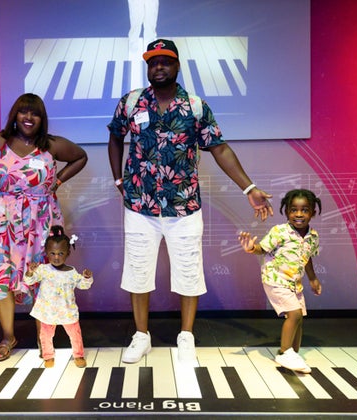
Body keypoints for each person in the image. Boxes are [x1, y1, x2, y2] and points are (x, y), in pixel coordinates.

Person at [107, 39, 274, 364]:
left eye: (165, 61)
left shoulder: (195, 107)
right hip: (139, 206)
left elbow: (219, 148)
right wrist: (118, 179)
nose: (158, 67)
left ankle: (186, 336)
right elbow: (115, 137)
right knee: (138, 272)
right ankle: (141, 336)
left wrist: (249, 187)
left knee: (188, 272)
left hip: (184, 208)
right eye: (153, 62)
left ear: (177, 65)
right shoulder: (131, 102)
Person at [0, 93, 88, 362]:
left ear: (42, 119)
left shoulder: (51, 145)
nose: (29, 117)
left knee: (43, 276)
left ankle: (44, 337)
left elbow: (80, 157)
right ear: (15, 116)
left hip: (41, 222)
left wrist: (57, 181)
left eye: (35, 113)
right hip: (4, 222)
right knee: (1, 274)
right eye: (23, 112)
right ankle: (8, 337)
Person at [238, 189, 322, 373]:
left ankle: (293, 354)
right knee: (294, 314)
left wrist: (313, 279)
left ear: (313, 213)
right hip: (275, 279)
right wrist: (251, 248)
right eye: (293, 210)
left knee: (299, 318)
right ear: (287, 212)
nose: (298, 214)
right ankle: (285, 352)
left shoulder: (313, 236)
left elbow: (307, 258)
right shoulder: (280, 231)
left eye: (304, 210)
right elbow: (262, 248)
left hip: (294, 283)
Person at [24, 225, 93, 368]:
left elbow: (83, 285)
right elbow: (30, 281)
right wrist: (30, 272)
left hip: (67, 311)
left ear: (67, 253)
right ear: (47, 253)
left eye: (60, 253)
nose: (56, 257)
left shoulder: (71, 272)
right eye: (52, 253)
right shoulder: (43, 269)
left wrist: (86, 278)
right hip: (48, 311)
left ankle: (78, 355)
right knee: (45, 335)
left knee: (75, 334)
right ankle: (48, 355)